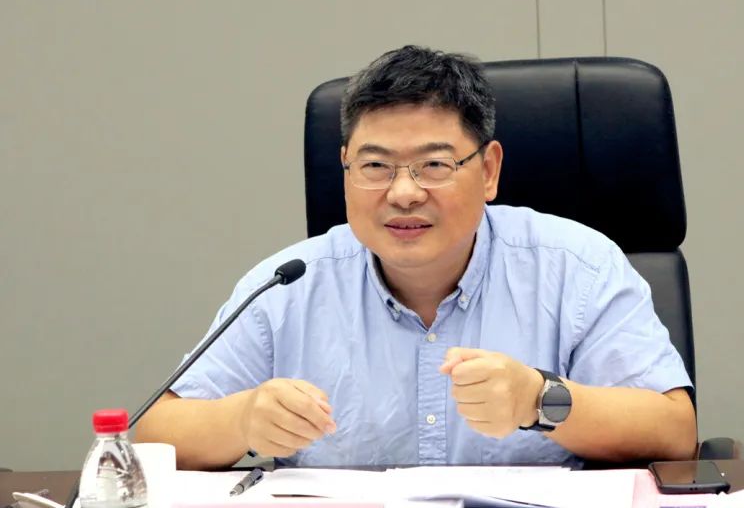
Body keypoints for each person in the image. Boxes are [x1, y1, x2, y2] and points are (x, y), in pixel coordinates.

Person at [134, 45, 697, 470]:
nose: (403, 193)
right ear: (345, 169)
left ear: (489, 171)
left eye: (434, 165)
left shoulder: (576, 266)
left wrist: (539, 399)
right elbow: (155, 435)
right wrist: (241, 420)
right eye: (375, 166)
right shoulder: (289, 285)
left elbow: (674, 431)